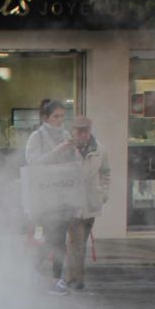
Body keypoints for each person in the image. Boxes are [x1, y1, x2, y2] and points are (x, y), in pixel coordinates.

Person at [23, 98, 77, 292]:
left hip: (62, 194)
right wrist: (56, 151)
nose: (60, 120)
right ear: (46, 117)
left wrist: (73, 150)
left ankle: (57, 278)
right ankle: (32, 270)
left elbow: (73, 163)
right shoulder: (36, 137)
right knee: (45, 237)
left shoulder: (65, 134)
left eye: (62, 116)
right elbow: (33, 162)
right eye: (56, 116)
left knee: (60, 238)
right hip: (43, 197)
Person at [61, 115, 111, 292]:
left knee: (79, 242)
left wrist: (104, 193)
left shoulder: (99, 149)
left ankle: (74, 278)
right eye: (78, 130)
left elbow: (105, 172)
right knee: (76, 241)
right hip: (70, 201)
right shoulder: (65, 149)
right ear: (72, 130)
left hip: (91, 201)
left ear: (90, 130)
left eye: (85, 130)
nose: (82, 134)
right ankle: (73, 278)